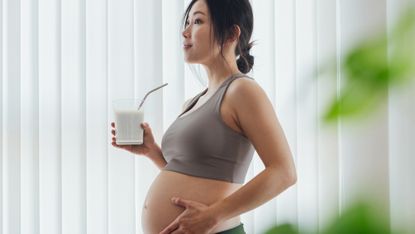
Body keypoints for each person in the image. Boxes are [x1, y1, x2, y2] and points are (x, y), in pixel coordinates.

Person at [111, 0, 297, 233]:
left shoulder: (242, 91)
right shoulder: (193, 102)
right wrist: (152, 152)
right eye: (187, 22)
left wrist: (214, 215)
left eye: (197, 21)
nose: (185, 31)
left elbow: (284, 172)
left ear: (231, 34)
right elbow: (195, 173)